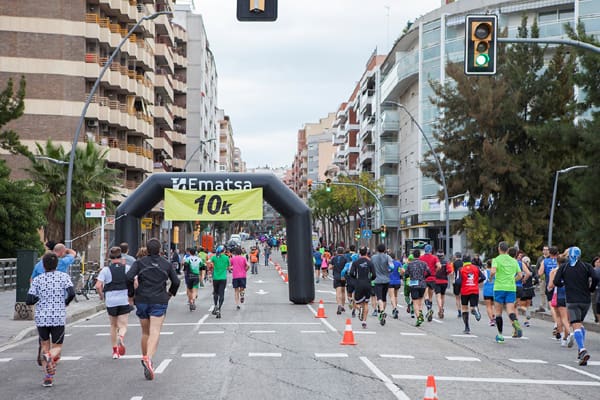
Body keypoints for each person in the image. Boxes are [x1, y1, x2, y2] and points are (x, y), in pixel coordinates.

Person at [126, 238, 180, 381]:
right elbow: (176, 281)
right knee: (155, 331)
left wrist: (131, 294)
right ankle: (148, 358)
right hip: (159, 300)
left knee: (145, 332)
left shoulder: (139, 263)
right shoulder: (166, 264)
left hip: (142, 299)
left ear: (147, 250)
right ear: (160, 250)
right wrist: (170, 293)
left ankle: (145, 361)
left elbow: (128, 277)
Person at [26, 252, 76, 387]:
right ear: (57, 264)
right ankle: (50, 357)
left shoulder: (38, 280)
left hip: (42, 317)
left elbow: (29, 300)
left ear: (43, 265)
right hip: (58, 316)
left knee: (44, 345)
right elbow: (72, 293)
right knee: (57, 346)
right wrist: (65, 301)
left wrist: (40, 298)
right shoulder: (64, 277)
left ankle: (48, 376)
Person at [552, 246, 599, 366]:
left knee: (576, 325)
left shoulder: (564, 267)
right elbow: (595, 277)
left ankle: (582, 349)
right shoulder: (586, 266)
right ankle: (580, 350)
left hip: (572, 300)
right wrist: (591, 288)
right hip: (585, 300)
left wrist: (564, 283)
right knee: (580, 324)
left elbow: (556, 281)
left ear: (569, 256)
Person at [95, 246, 133, 359]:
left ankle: (115, 351)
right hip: (123, 298)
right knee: (123, 325)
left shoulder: (105, 270)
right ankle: (121, 336)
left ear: (110, 258)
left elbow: (98, 285)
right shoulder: (127, 268)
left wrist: (101, 295)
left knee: (113, 325)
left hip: (111, 300)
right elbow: (135, 281)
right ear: (121, 257)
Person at [491, 241, 523, 343]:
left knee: (498, 313)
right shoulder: (514, 261)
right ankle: (515, 322)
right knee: (510, 310)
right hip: (511, 288)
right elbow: (520, 275)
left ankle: (500, 335)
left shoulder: (496, 259)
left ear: (499, 249)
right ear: (508, 250)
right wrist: (513, 280)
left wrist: (491, 277)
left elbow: (493, 271)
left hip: (499, 287)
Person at [348, 246, 376, 329]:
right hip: (367, 283)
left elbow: (351, 273)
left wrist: (355, 279)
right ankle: (364, 321)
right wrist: (370, 279)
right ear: (366, 253)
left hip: (359, 283)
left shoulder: (356, 262)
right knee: (366, 303)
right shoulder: (370, 262)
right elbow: (374, 275)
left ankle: (359, 308)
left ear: (359, 253)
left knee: (357, 302)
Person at [538, 246, 561, 339]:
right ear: (557, 253)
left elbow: (540, 273)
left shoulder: (545, 261)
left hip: (550, 285)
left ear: (549, 253)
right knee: (561, 305)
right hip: (560, 285)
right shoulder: (560, 261)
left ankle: (556, 323)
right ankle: (560, 324)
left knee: (552, 305)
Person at [459, 255, 485, 334]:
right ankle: (475, 309)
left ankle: (467, 327)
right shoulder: (476, 268)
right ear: (470, 260)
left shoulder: (461, 269)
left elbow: (458, 281)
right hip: (474, 289)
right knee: (473, 306)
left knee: (464, 308)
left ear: (463, 261)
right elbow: (483, 277)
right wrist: (476, 282)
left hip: (465, 290)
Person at [405, 249, 431, 327]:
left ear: (413, 255)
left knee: (415, 302)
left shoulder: (410, 264)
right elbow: (429, 272)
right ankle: (420, 313)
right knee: (420, 301)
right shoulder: (424, 263)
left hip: (413, 284)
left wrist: (411, 276)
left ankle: (419, 317)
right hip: (422, 284)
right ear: (419, 255)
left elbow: (406, 274)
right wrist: (424, 277)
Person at [371, 243, 394, 326]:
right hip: (386, 279)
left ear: (377, 250)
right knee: (384, 297)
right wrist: (388, 271)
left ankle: (381, 311)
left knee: (379, 297)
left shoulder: (373, 258)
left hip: (377, 280)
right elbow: (392, 267)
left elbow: (371, 267)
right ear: (384, 250)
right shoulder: (388, 257)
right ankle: (382, 312)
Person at [207, 245, 231, 318]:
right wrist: (227, 268)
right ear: (223, 251)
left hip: (216, 278)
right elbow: (229, 267)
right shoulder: (226, 257)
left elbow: (208, 262)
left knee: (215, 293)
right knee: (221, 294)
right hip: (223, 278)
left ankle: (216, 305)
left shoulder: (214, 257)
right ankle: (219, 309)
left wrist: (211, 267)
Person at [420, 244, 441, 322]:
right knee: (431, 297)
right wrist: (435, 271)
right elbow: (439, 266)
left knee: (425, 296)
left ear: (424, 250)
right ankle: (430, 311)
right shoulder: (434, 257)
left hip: (424, 278)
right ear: (431, 250)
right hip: (432, 278)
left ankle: (428, 310)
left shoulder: (421, 258)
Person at [434, 249, 452, 319]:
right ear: (443, 255)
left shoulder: (435, 262)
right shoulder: (446, 262)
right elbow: (450, 271)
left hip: (437, 281)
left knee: (438, 296)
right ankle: (441, 308)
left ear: (437, 255)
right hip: (444, 281)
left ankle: (440, 308)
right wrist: (446, 274)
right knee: (443, 296)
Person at [329, 247, 348, 315]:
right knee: (343, 292)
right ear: (343, 252)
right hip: (343, 277)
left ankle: (339, 305)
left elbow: (330, 267)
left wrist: (334, 267)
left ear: (337, 252)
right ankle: (343, 306)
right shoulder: (345, 258)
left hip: (336, 277)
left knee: (338, 292)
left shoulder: (333, 258)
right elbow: (347, 268)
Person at [388, 253, 403, 319]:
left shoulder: (388, 264)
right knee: (395, 296)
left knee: (392, 296)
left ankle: (394, 308)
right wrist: (400, 275)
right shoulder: (398, 263)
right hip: (397, 281)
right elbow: (402, 270)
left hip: (390, 281)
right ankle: (395, 308)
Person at [482, 259, 496, 326]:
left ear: (487, 265)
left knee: (488, 306)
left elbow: (483, 280)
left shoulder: (485, 271)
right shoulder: (496, 272)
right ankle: (493, 316)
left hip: (487, 290)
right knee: (493, 305)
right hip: (495, 290)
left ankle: (492, 320)